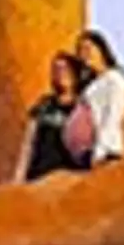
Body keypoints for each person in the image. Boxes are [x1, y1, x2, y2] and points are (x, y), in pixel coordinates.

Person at [22, 54, 87, 182]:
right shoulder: (44, 105)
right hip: (40, 176)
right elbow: (28, 142)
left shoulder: (84, 105)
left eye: (64, 69)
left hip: (70, 178)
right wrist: (20, 176)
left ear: (75, 73)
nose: (60, 74)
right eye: (56, 70)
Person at [72, 30, 124, 166]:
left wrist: (100, 150)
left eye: (88, 49)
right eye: (80, 51)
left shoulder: (114, 79)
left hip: (105, 152)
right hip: (88, 152)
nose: (84, 55)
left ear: (101, 50)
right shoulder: (92, 84)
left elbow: (113, 115)